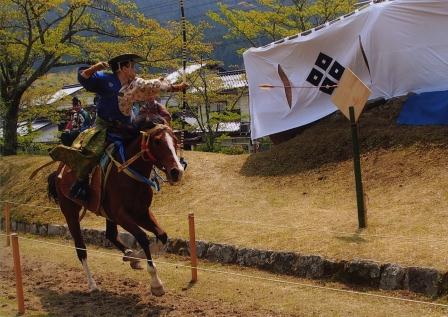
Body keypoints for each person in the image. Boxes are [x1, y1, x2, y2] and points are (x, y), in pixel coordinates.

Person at [49, 53, 187, 202]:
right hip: (105, 126)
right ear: (122, 67)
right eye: (132, 66)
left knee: (151, 141)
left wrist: (176, 87)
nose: (135, 69)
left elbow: (152, 85)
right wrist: (95, 68)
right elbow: (84, 78)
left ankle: (171, 164)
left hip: (128, 126)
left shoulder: (135, 83)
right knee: (92, 152)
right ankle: (81, 184)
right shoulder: (105, 79)